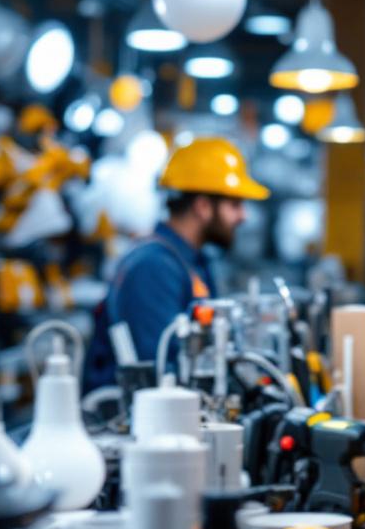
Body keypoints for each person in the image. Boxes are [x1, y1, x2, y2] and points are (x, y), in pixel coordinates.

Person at [86, 136, 269, 389]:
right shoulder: (153, 268)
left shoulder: (192, 261)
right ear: (203, 206)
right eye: (235, 205)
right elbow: (160, 370)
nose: (243, 216)